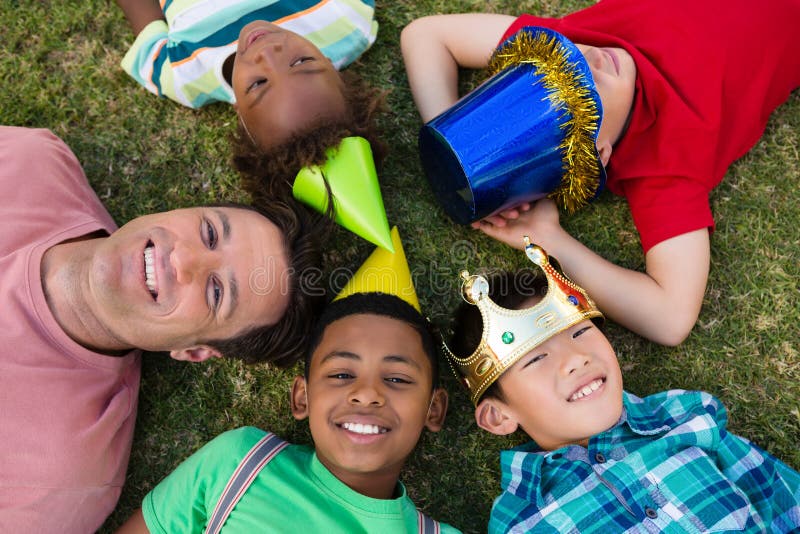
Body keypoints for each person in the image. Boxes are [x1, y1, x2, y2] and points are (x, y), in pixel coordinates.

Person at [401, 0, 800, 346]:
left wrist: (457, 137)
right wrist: (548, 239)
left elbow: (424, 35)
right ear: (600, 152)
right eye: (585, 94)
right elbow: (671, 318)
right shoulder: (665, 163)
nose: (590, 60)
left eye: (564, 59)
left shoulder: (578, 39)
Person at [0, 126, 322, 532]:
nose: (182, 260)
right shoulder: (31, 162)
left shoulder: (57, 479)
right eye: (209, 233)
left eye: (216, 292)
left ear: (194, 351)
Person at [445, 238, 800, 533]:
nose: (576, 358)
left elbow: (781, 499)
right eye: (536, 358)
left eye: (580, 332)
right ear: (498, 416)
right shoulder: (518, 521)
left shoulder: (682, 416)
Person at [117, 292, 460, 533]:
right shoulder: (239, 463)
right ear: (302, 398)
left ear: (433, 409)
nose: (367, 394)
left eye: (397, 379)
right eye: (342, 374)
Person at [116, 0, 386, 201]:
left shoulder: (186, 74)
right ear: (333, 68)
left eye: (259, 83)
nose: (267, 53)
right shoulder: (346, 20)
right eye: (301, 62)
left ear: (240, 112)